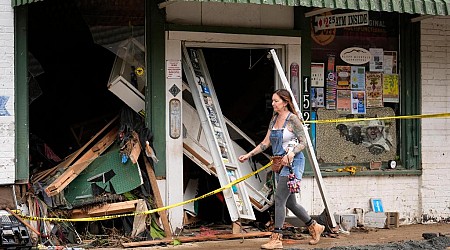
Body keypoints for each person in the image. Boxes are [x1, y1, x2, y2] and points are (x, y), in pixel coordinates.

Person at [238, 89, 325, 249]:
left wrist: (292, 153)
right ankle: (315, 226)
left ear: (285, 102)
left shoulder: (293, 120)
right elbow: (265, 143)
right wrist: (249, 155)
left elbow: (304, 142)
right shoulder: (274, 120)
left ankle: (277, 238)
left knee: (279, 199)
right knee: (290, 203)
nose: (273, 104)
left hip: (293, 164)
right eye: (272, 101)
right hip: (279, 164)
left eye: (276, 101)